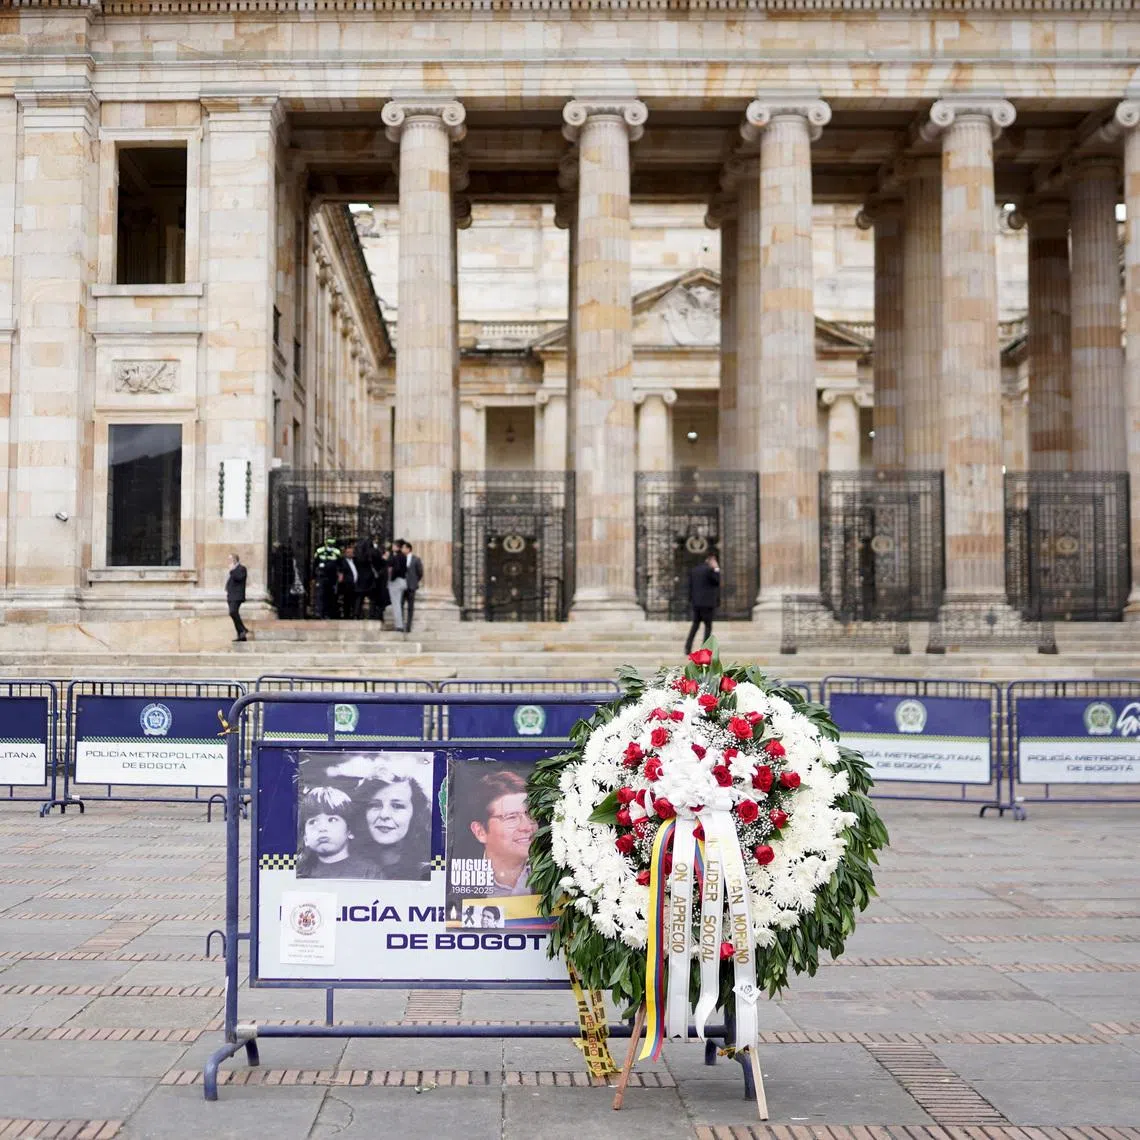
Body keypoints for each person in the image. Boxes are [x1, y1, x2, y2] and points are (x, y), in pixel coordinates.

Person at [464, 769, 537, 895]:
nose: (527, 827)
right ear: (480, 831)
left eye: (531, 815)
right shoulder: (455, 881)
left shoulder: (556, 873)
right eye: (511, 817)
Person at [354, 766, 433, 880]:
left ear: (415, 814)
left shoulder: (428, 872)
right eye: (375, 805)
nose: (384, 815)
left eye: (397, 806)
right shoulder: (346, 868)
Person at [296, 786, 378, 879]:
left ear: (349, 831)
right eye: (313, 822)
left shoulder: (369, 872)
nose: (322, 828)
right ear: (305, 838)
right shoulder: (299, 872)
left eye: (332, 820)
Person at [685, 551, 720, 656]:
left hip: (696, 603)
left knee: (695, 625)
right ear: (709, 560)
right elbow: (717, 581)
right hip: (708, 604)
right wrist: (716, 569)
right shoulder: (710, 570)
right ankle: (705, 651)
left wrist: (691, 600)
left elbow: (690, 587)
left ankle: (687, 647)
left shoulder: (694, 570)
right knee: (708, 627)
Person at [338, 542, 373, 620]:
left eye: (351, 552)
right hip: (347, 584)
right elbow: (341, 572)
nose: (350, 554)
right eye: (348, 552)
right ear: (345, 553)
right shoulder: (343, 561)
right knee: (347, 601)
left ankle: (355, 614)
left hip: (355, 585)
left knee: (354, 601)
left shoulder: (355, 561)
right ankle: (346, 616)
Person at [314, 536, 341, 619]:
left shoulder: (337, 552)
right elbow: (315, 563)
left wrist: (339, 574)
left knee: (330, 595)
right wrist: (314, 576)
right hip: (321, 575)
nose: (330, 546)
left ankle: (328, 613)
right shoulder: (319, 551)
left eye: (332, 544)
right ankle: (319, 613)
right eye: (329, 544)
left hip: (332, 577)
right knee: (320, 594)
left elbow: (339, 564)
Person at [225, 552, 248, 643]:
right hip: (231, 596)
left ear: (235, 560)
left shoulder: (241, 569)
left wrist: (232, 571)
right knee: (233, 613)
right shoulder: (233, 570)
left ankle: (243, 629)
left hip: (237, 596)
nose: (228, 561)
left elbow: (239, 578)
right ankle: (241, 635)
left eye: (230, 559)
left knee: (233, 612)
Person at [402, 541, 424, 632]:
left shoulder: (416, 559)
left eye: (403, 548)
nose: (402, 549)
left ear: (408, 549)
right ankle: (401, 624)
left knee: (411, 607)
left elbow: (420, 572)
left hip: (411, 586)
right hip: (402, 586)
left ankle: (409, 626)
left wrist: (414, 581)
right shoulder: (401, 558)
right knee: (401, 605)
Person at [388, 539, 409, 632]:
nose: (392, 547)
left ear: (397, 547)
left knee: (396, 604)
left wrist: (391, 578)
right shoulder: (404, 556)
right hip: (402, 581)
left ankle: (399, 625)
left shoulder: (397, 557)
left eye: (393, 545)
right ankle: (399, 624)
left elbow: (396, 569)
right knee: (398, 603)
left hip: (396, 582)